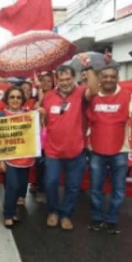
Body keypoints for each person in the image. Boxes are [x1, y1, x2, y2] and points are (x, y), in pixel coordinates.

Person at [41, 60, 99, 231]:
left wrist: (88, 68)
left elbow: (95, 90)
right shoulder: (49, 96)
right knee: (50, 183)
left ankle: (66, 214)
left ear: (74, 78)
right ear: (57, 80)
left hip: (77, 150)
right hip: (53, 150)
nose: (64, 82)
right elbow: (44, 118)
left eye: (68, 79)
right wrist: (41, 113)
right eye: (61, 79)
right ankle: (53, 211)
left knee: (72, 186)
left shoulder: (82, 93)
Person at [87, 66, 132, 234]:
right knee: (96, 188)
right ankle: (97, 218)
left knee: (118, 189)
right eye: (105, 76)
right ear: (100, 79)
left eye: (112, 76)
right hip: (95, 149)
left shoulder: (127, 95)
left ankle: (112, 220)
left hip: (120, 150)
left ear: (118, 79)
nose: (109, 79)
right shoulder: (92, 97)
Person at [0, 86, 35, 228]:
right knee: (12, 186)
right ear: (7, 99)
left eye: (18, 97)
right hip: (9, 159)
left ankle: (13, 211)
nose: (15, 100)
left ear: (23, 100)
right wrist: (0, 159)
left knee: (20, 188)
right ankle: (8, 214)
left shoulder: (30, 114)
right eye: (12, 97)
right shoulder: (1, 115)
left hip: (25, 159)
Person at [31, 72, 55, 202]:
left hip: (53, 137)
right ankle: (40, 188)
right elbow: (35, 110)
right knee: (40, 165)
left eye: (49, 81)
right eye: (43, 80)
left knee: (50, 165)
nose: (46, 83)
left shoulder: (57, 98)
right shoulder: (36, 99)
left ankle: (48, 190)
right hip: (39, 138)